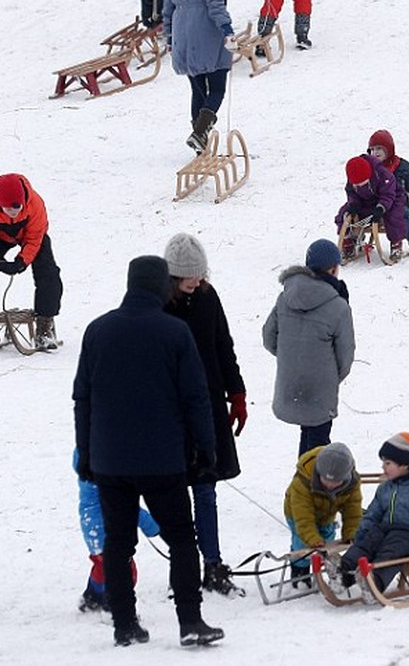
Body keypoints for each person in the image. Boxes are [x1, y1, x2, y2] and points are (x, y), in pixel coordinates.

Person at [72, 255, 223, 647]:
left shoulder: (97, 331)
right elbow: (196, 398)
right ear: (160, 286)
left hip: (110, 461)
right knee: (182, 540)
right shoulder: (174, 332)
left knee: (118, 544)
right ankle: (190, 621)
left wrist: (87, 455)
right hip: (163, 461)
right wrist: (206, 451)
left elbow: (82, 399)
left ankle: (125, 625)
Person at [162, 233, 247, 596]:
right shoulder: (158, 307)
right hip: (170, 414)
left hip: (209, 408)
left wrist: (236, 392)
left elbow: (223, 345)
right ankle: (184, 566)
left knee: (206, 492)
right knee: (174, 495)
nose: (196, 281)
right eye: (188, 277)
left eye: (199, 274)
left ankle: (212, 562)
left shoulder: (209, 298)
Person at [263, 239, 356, 455]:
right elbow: (345, 355)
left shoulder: (285, 297)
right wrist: (330, 377)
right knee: (318, 449)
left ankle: (301, 483)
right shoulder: (338, 306)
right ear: (334, 268)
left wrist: (292, 357)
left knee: (308, 443)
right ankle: (307, 488)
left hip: (290, 385)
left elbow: (269, 337)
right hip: (320, 389)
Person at [0, 174, 64, 351]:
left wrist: (20, 262)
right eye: (9, 209)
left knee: (48, 271)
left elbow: (34, 239)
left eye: (17, 207)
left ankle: (44, 325)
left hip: (31, 236)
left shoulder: (35, 204)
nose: (14, 212)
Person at [337, 433, 409, 596]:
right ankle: (343, 572)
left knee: (391, 550)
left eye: (388, 463)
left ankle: (375, 582)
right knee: (368, 542)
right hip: (384, 530)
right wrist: (361, 536)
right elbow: (372, 515)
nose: (383, 467)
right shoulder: (385, 488)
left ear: (405, 465)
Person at [163, 0, 236, 154]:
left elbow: (167, 8)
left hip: (183, 34)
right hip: (206, 31)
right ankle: (199, 133)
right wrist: (227, 29)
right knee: (217, 88)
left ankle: (199, 146)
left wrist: (170, 37)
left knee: (197, 90)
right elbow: (215, 2)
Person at [74, 449, 160, 613]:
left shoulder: (85, 465)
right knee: (125, 571)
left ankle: (92, 597)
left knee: (102, 564)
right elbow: (129, 508)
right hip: (107, 528)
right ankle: (114, 605)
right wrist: (153, 527)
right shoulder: (108, 483)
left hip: (90, 526)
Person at [283, 442, 363, 585]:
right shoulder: (302, 483)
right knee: (302, 545)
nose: (330, 485)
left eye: (336, 482)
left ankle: (327, 571)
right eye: (325, 480)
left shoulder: (352, 484)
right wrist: (312, 538)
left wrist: (351, 533)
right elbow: (303, 518)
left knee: (327, 540)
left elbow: (353, 511)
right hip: (296, 514)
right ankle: (300, 573)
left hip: (326, 515)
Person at [366, 130, 409, 258]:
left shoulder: (403, 169)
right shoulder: (369, 168)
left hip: (400, 203)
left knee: (401, 211)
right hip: (377, 205)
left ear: (388, 149)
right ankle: (353, 240)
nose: (374, 153)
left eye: (379, 148)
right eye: (371, 149)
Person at [336, 154, 406, 262]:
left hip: (391, 198)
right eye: (356, 184)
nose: (359, 186)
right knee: (343, 214)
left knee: (394, 216)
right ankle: (348, 241)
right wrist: (354, 204)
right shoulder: (353, 175)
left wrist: (381, 207)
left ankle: (396, 243)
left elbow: (388, 194)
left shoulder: (382, 174)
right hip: (366, 201)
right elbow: (351, 193)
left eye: (361, 183)